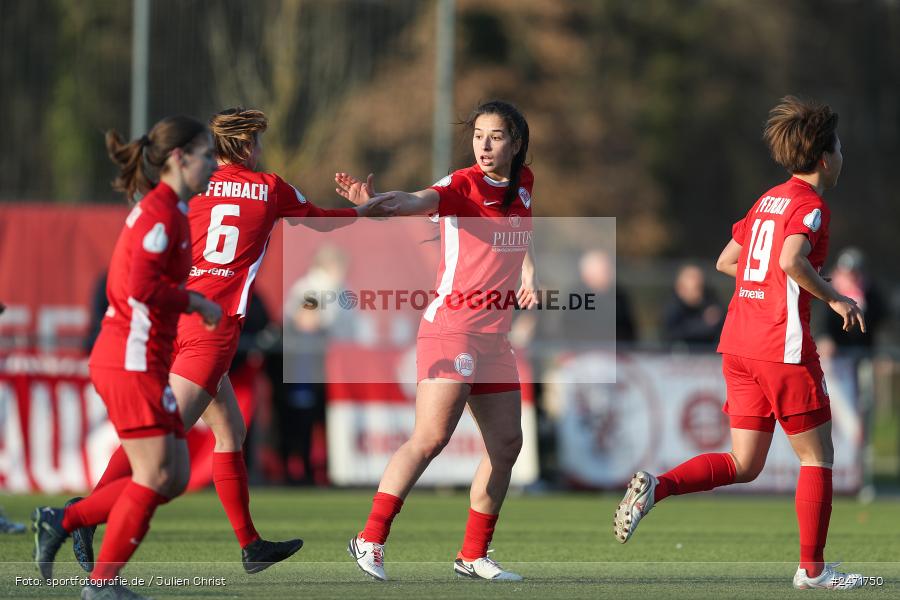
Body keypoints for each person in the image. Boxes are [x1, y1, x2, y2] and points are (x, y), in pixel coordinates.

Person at [63, 107, 392, 576]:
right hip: (210, 331)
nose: (261, 150)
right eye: (257, 141)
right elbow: (318, 219)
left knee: (229, 433)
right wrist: (361, 212)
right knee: (165, 436)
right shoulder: (269, 188)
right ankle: (82, 514)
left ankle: (250, 544)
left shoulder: (193, 187)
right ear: (247, 145)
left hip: (177, 319)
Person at [613, 96, 868, 590]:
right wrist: (836, 298)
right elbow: (792, 259)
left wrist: (763, 288)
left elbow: (727, 260)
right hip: (781, 347)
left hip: (739, 344)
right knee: (818, 459)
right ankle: (812, 572)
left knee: (744, 463)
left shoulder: (766, 200)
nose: (842, 155)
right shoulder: (811, 206)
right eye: (838, 147)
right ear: (823, 158)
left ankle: (656, 487)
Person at [335, 100, 538, 582]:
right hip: (453, 330)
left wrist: (530, 271)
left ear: (516, 144)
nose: (484, 145)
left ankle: (473, 555)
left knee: (507, 444)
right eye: (478, 136)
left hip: (495, 337)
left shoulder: (524, 184)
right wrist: (381, 200)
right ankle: (370, 539)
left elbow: (518, 236)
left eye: (495, 136)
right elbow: (419, 200)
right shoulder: (461, 184)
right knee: (430, 438)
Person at [32, 116, 222, 600]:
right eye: (206, 155)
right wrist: (195, 302)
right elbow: (139, 288)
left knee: (173, 475)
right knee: (156, 474)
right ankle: (101, 585)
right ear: (179, 158)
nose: (214, 165)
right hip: (129, 358)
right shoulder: (161, 214)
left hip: (140, 358)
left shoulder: (170, 211)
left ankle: (65, 520)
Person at [661, 263, 725, 350]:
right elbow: (672, 333)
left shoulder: (711, 302)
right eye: (691, 278)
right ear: (680, 287)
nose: (697, 281)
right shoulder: (672, 307)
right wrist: (704, 324)